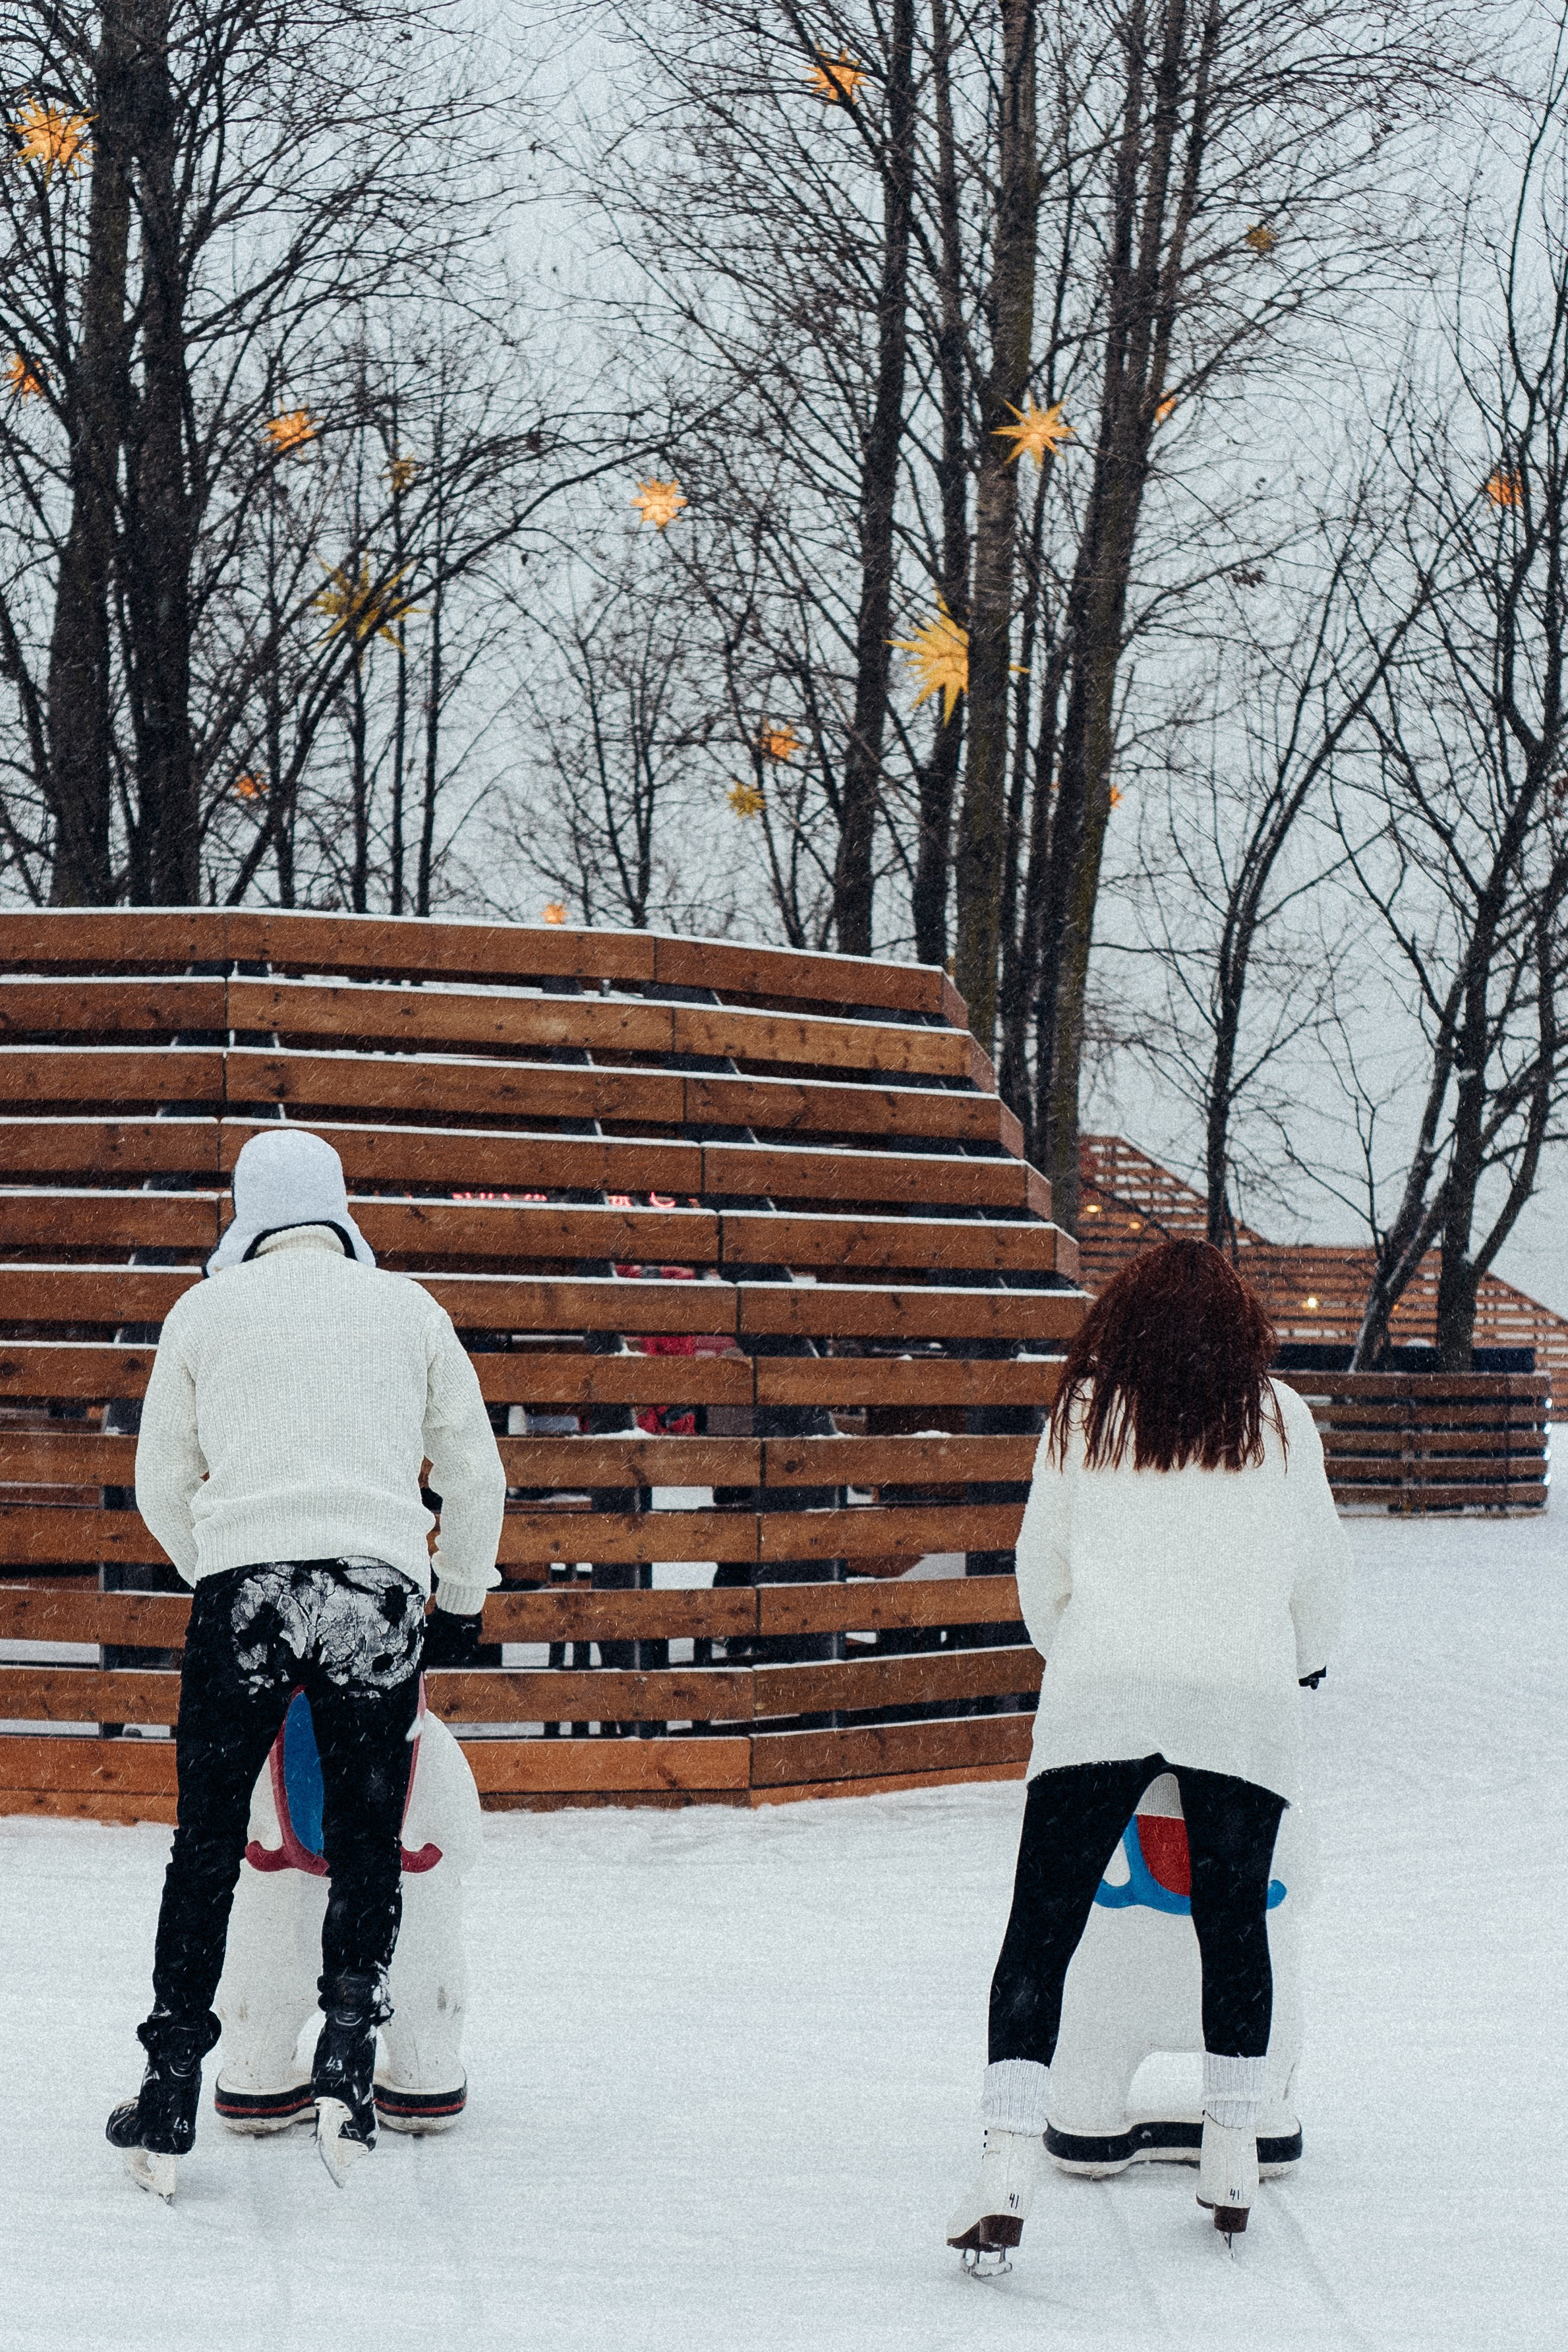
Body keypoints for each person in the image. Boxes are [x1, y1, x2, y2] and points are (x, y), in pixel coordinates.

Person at [107, 1128, 506, 2198]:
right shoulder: (409, 1308)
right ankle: (347, 2054)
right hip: (374, 1588)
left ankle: (174, 2080)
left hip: (245, 1590)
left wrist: (221, 1567)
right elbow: (476, 1471)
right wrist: (456, 1597)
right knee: (370, 1836)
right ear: (338, 1208)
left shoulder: (202, 1311)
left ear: (246, 1210)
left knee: (206, 1847)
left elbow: (157, 1479)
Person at [945, 1239, 1348, 2268]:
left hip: (1102, 1698)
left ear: (1121, 1318)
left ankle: (1002, 2159)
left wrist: (1083, 1656)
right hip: (1240, 1705)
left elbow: (1043, 1571)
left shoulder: (1085, 1415)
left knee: (1041, 1930)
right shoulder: (1284, 1420)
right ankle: (1230, 2149)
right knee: (1236, 1925)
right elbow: (1320, 1581)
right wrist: (1298, 1664)